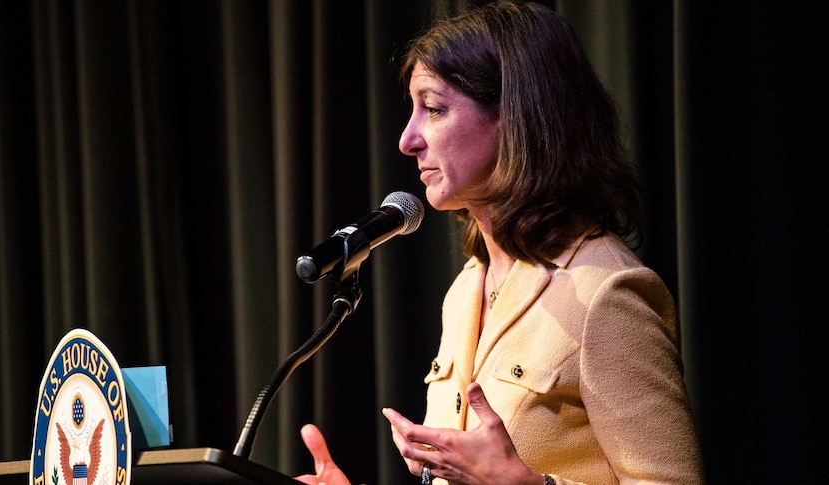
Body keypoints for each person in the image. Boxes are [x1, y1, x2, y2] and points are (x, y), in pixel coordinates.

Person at [297, 2, 704, 484]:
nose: (408, 139)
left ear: (516, 117)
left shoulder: (605, 294)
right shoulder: (468, 286)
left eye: (433, 108)